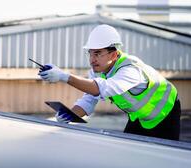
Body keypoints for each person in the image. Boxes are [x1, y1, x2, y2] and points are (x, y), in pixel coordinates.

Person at [38, 24, 181, 141]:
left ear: (114, 54)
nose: (92, 60)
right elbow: (89, 100)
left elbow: (102, 89)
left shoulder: (130, 70)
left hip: (166, 113)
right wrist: (68, 116)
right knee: (130, 152)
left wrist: (64, 77)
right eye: (90, 53)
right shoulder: (98, 70)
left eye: (98, 53)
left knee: (163, 157)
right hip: (139, 116)